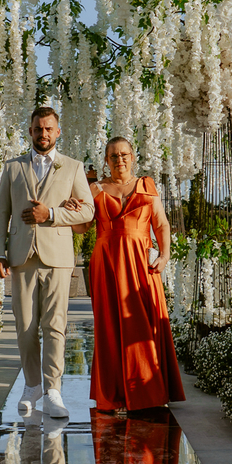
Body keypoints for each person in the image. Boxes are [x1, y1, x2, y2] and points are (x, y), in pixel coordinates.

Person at [62, 136, 184, 413]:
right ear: (106, 160)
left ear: (133, 157)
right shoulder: (95, 189)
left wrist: (164, 256)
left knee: (144, 323)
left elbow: (161, 224)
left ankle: (149, 390)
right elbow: (83, 228)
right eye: (114, 156)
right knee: (111, 327)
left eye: (124, 154)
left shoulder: (147, 186)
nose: (120, 160)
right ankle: (115, 393)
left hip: (142, 264)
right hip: (106, 264)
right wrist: (72, 212)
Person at [0, 107, 95, 418]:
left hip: (58, 257)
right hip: (21, 257)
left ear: (57, 132)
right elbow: (1, 216)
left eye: (49, 129)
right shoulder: (13, 168)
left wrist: (51, 214)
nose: (44, 134)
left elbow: (87, 211)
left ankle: (52, 390)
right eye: (38, 129)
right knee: (25, 327)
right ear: (31, 131)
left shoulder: (73, 168)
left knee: (55, 327)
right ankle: (32, 384)